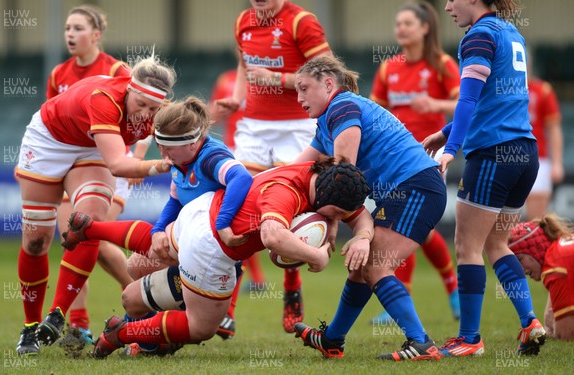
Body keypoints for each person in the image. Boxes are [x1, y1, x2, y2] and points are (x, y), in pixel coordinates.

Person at [67, 158, 374, 358]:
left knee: (136, 270)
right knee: (201, 326)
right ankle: (123, 333)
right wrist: (316, 256)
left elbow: (354, 214)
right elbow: (273, 236)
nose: (337, 220)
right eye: (336, 214)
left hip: (201, 211)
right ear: (328, 200)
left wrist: (357, 232)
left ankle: (93, 228)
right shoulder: (285, 193)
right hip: (212, 247)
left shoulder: (314, 170)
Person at [61, 96, 253, 352]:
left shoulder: (210, 157)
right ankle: (139, 336)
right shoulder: (181, 161)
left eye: (167, 148)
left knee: (197, 329)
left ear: (191, 142)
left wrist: (223, 223)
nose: (161, 154)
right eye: (159, 145)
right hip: (189, 248)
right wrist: (158, 230)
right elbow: (174, 202)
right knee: (134, 272)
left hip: (211, 260)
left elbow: (241, 177)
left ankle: (147, 335)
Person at [14, 55, 176, 356]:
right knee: (36, 241)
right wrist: (158, 165)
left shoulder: (159, 112)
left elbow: (180, 136)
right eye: (140, 104)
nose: (145, 113)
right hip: (49, 140)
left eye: (153, 109)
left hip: (92, 148)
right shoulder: (105, 99)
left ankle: (59, 313)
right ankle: (29, 327)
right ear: (130, 90)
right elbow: (117, 163)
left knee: (87, 223)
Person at [291, 55, 447, 361]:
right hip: (405, 190)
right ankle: (333, 339)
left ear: (328, 84)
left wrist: (348, 229)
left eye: (304, 89)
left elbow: (343, 176)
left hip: (415, 186)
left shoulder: (342, 107)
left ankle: (421, 344)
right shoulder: (328, 121)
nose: (298, 98)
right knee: (360, 268)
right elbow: (295, 172)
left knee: (375, 265)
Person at [421, 0, 545, 357]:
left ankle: (470, 339)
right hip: (524, 153)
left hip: (493, 154)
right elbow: (495, 100)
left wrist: (452, 146)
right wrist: (446, 132)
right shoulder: (511, 32)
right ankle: (530, 323)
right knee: (496, 245)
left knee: (466, 247)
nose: (446, 7)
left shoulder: (479, 35)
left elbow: (469, 100)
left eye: (452, 0)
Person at [215, 0, 333, 334]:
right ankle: (229, 306)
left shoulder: (301, 22)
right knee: (239, 208)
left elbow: (329, 75)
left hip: (297, 128)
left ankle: (292, 285)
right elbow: (243, 63)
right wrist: (238, 98)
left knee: (291, 212)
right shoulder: (244, 21)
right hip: (253, 127)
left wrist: (277, 78)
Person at [46, 4, 140, 343]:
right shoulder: (58, 75)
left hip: (110, 167)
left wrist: (138, 160)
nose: (70, 34)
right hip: (71, 168)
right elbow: (53, 127)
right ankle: (79, 326)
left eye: (78, 28)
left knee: (91, 239)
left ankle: (145, 298)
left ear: (96, 34)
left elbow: (139, 118)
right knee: (73, 241)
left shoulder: (117, 69)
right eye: (67, 28)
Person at [369, 1, 460, 324]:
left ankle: (449, 288)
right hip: (394, 159)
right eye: (397, 24)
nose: (401, 29)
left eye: (407, 23)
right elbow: (373, 111)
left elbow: (465, 104)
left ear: (425, 28)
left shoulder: (442, 64)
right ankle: (444, 289)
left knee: (411, 227)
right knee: (403, 226)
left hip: (428, 156)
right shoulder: (388, 68)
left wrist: (434, 103)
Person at [210, 68, 268, 323]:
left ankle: (281, 284)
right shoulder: (225, 79)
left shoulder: (267, 77)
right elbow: (214, 114)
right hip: (233, 151)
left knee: (248, 215)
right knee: (236, 217)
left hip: (261, 150)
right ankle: (236, 296)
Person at [508, 214, 574, 340]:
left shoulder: (555, 266)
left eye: (519, 260)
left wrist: (553, 324)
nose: (519, 270)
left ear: (535, 249)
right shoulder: (561, 248)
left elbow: (566, 334)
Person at [525, 56, 564, 220]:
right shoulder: (499, 89)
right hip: (505, 157)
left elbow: (553, 128)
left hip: (538, 159)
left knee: (537, 221)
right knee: (505, 225)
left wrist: (557, 163)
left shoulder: (542, 91)